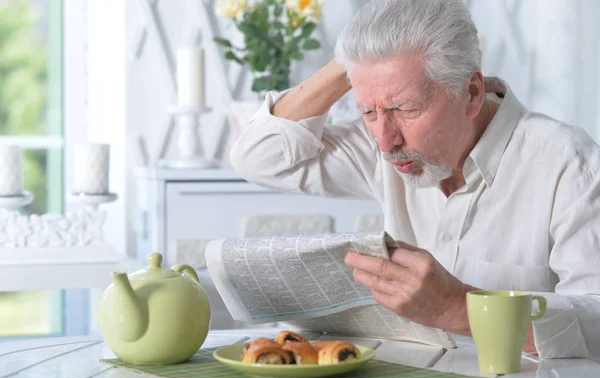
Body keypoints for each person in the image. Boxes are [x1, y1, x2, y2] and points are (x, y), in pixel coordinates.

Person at [229, 0, 600, 359]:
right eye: (367, 110)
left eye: (404, 108)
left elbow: (597, 318)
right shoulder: (379, 147)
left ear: (471, 93)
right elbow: (258, 157)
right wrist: (352, 63)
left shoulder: (569, 164)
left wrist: (459, 309)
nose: (385, 139)